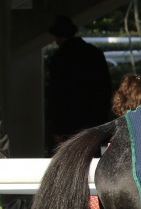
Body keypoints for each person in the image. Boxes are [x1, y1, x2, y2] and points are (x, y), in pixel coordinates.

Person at [45, 15, 112, 146]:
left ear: (58, 37)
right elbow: (106, 88)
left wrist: (56, 127)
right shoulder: (94, 53)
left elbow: (56, 94)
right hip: (96, 120)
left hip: (69, 124)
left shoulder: (60, 58)